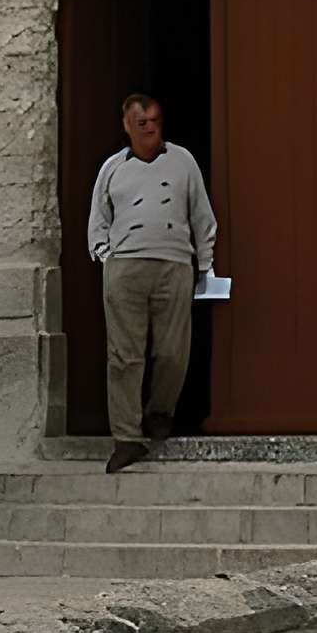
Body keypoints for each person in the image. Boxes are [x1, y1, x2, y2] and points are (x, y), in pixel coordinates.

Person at [87, 90, 216, 473]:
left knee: (173, 351)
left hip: (174, 263)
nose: (150, 128)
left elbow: (201, 215)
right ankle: (126, 436)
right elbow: (99, 218)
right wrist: (106, 255)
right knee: (124, 356)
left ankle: (160, 410)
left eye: (155, 121)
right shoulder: (113, 168)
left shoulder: (182, 162)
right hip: (125, 266)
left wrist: (204, 266)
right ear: (126, 125)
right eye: (141, 122)